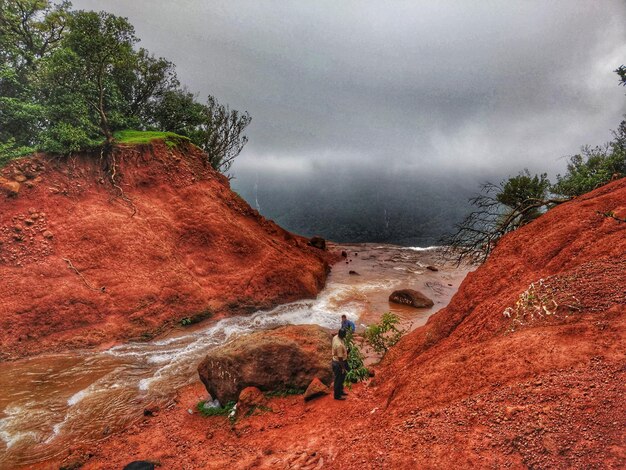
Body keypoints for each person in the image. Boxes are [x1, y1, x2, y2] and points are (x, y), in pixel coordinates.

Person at [332, 328, 349, 400]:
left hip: (338, 361)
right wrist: (343, 368)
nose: (345, 336)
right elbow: (340, 358)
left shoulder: (335, 337)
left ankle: (341, 391)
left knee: (342, 377)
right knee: (338, 379)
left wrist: (346, 352)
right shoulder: (339, 345)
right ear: (342, 335)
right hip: (338, 363)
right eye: (345, 335)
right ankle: (337, 396)